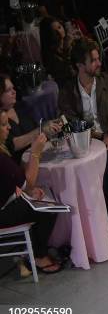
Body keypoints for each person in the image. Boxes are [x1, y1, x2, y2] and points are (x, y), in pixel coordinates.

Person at [58, 38, 108, 240]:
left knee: (105, 164)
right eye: (94, 60)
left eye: (98, 59)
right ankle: (83, 224)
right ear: (80, 65)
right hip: (86, 141)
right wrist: (96, 136)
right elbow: (69, 121)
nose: (99, 63)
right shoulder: (67, 91)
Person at [0, 110, 62, 274]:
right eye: (3, 125)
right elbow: (29, 183)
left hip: (8, 200)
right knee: (48, 208)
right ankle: (39, 256)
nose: (8, 129)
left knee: (40, 195)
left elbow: (14, 181)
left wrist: (24, 191)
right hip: (3, 212)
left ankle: (37, 248)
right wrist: (35, 152)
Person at [0, 74, 62, 163]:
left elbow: (36, 127)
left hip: (39, 157)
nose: (14, 92)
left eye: (13, 88)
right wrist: (41, 129)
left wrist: (51, 127)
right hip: (19, 165)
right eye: (8, 90)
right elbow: (11, 145)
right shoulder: (1, 119)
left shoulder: (22, 107)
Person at [40, 16, 75, 87]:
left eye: (59, 27)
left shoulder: (67, 41)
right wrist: (67, 51)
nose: (59, 32)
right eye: (54, 31)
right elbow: (70, 74)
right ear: (49, 35)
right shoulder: (51, 55)